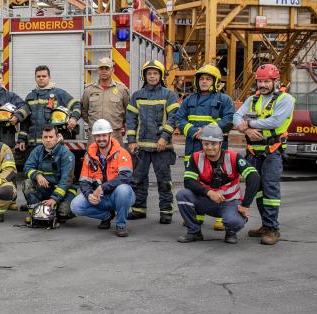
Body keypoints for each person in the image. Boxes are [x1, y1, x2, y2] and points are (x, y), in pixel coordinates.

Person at [233, 63, 295, 246]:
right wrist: (245, 130)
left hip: (272, 152)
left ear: (276, 81)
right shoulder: (252, 99)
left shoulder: (285, 100)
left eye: (267, 81)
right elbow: (236, 117)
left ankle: (272, 229)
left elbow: (274, 122)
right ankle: (265, 226)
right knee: (257, 191)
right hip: (253, 152)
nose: (263, 85)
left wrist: (248, 125)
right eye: (260, 81)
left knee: (270, 190)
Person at [176, 124, 260, 244]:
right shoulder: (195, 157)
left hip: (229, 202)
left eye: (214, 143)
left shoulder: (233, 157)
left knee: (234, 221)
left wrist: (245, 205)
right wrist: (209, 193)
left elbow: (254, 176)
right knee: (182, 195)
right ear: (202, 143)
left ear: (221, 143)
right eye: (206, 144)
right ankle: (194, 232)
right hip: (207, 201)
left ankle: (231, 231)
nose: (210, 147)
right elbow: (188, 182)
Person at [175, 64, 235, 231]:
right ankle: (196, 215)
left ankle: (221, 218)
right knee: (194, 182)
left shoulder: (224, 100)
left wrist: (208, 132)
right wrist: (193, 131)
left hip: (215, 150)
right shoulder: (189, 99)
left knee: (220, 181)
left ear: (215, 81)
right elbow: (179, 118)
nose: (204, 81)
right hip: (193, 148)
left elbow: (229, 120)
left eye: (208, 78)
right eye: (201, 78)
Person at [126, 59, 179, 224]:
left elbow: (173, 118)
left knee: (164, 181)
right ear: (144, 76)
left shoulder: (168, 95)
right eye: (149, 73)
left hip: (161, 148)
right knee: (138, 180)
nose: (152, 76)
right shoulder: (137, 96)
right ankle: (139, 209)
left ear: (161, 76)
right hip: (141, 147)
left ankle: (166, 212)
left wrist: (164, 138)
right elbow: (131, 119)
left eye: (155, 73)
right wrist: (131, 140)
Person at [70, 119, 135, 237]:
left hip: (118, 197)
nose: (101, 138)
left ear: (110, 135)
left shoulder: (122, 153)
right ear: (94, 137)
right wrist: (88, 194)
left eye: (104, 135)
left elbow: (125, 177)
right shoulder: (89, 156)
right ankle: (107, 216)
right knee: (75, 205)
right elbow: (84, 180)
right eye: (98, 136)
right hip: (100, 198)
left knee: (124, 189)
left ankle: (121, 224)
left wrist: (103, 188)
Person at [21, 65, 81, 156]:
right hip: (33, 146)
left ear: (49, 77)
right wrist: (21, 140)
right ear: (35, 78)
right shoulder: (30, 97)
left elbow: (76, 104)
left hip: (53, 146)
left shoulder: (59, 94)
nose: (41, 78)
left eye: (44, 76)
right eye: (38, 76)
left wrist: (74, 118)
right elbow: (25, 121)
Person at [23, 125, 77, 220]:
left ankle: (53, 210)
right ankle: (36, 213)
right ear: (42, 138)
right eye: (45, 137)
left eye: (51, 137)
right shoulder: (37, 151)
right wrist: (37, 175)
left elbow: (66, 180)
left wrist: (54, 198)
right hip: (46, 188)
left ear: (57, 137)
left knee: (64, 212)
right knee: (27, 183)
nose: (48, 140)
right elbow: (27, 167)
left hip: (64, 191)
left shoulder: (66, 154)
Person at [80, 57, 130, 142]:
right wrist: (94, 124)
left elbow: (129, 111)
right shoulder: (89, 90)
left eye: (107, 68)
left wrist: (118, 123)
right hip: (95, 135)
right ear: (98, 70)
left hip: (114, 134)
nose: (104, 71)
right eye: (101, 68)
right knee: (93, 155)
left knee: (116, 155)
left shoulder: (122, 89)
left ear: (112, 70)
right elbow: (83, 110)